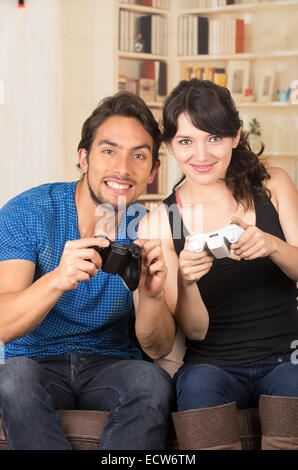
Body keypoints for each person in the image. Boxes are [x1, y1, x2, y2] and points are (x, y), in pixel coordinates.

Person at [0, 91, 176, 450]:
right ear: (84, 158)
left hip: (109, 365)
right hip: (35, 362)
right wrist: (56, 280)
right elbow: (3, 324)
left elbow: (158, 347)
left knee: (153, 381)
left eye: (139, 155)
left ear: (153, 170)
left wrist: (152, 296)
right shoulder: (29, 211)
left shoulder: (149, 227)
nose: (123, 169)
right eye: (109, 151)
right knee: (12, 377)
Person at [138, 79, 298, 450]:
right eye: (186, 141)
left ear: (236, 135)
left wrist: (272, 245)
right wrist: (187, 281)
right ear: (170, 147)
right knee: (197, 390)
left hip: (286, 356)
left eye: (214, 138)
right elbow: (194, 332)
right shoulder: (163, 221)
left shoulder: (271, 186)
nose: (201, 154)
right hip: (211, 366)